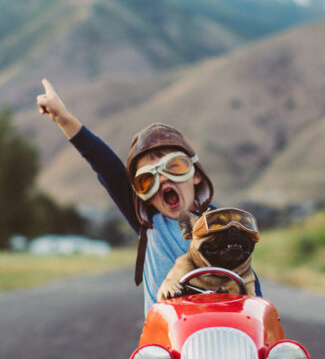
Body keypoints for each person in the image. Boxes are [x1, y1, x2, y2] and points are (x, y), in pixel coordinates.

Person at [36, 78, 260, 314]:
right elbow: (107, 168)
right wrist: (64, 118)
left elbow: (249, 282)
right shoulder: (150, 223)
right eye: (147, 180)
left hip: (222, 331)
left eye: (174, 167)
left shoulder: (223, 224)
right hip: (165, 341)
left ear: (195, 174)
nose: (163, 180)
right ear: (142, 194)